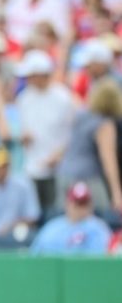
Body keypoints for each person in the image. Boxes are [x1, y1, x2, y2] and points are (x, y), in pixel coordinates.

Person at [15, 49, 75, 214]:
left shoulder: (63, 98)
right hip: (32, 166)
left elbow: (72, 132)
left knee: (56, 211)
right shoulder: (24, 98)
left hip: (59, 167)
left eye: (31, 75)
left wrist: (59, 153)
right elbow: (24, 129)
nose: (28, 80)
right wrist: (24, 138)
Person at [56, 79, 122, 213]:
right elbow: (108, 159)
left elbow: (69, 144)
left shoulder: (81, 115)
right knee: (102, 215)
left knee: (69, 218)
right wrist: (117, 193)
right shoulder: (105, 125)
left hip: (64, 173)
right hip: (87, 177)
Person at [31, 182, 112, 255]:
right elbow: (35, 255)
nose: (81, 209)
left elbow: (103, 258)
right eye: (77, 204)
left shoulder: (99, 228)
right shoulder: (52, 227)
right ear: (67, 204)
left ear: (91, 205)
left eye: (84, 204)